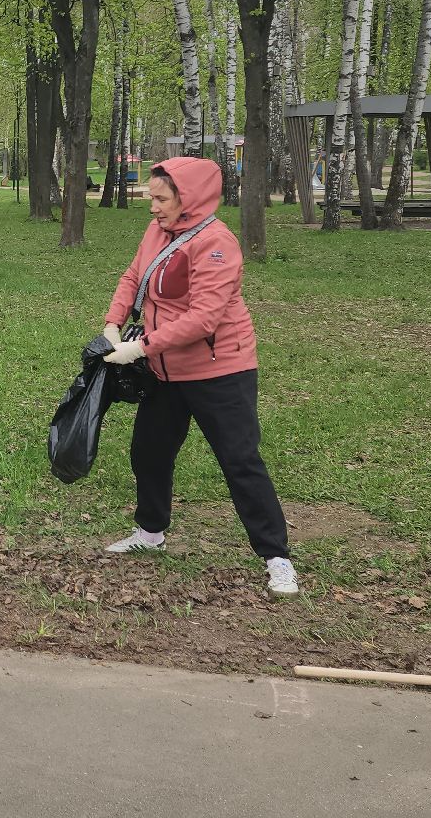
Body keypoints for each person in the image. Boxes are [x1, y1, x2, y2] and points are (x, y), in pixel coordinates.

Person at [97, 156, 299, 597]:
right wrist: (113, 324)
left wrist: (140, 346)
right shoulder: (158, 231)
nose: (152, 207)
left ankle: (276, 557)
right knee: (148, 452)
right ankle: (150, 533)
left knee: (240, 461)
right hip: (166, 371)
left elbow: (205, 318)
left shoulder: (215, 242)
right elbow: (134, 276)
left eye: (161, 198)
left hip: (219, 370)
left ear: (188, 199)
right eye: (151, 197)